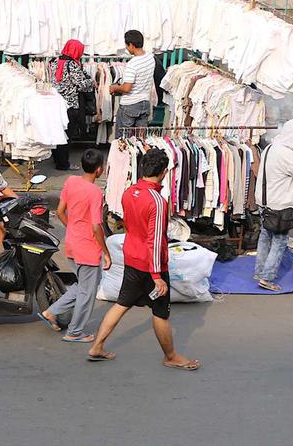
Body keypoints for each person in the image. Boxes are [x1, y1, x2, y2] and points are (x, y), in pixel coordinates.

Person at [87, 148, 200, 370]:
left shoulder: (129, 192)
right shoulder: (157, 201)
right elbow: (156, 241)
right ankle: (171, 356)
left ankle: (96, 346)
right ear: (164, 172)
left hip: (132, 257)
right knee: (160, 312)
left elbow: (130, 225)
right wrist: (157, 277)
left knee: (122, 303)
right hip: (151, 265)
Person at [39, 149, 112, 342]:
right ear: (99, 170)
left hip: (71, 243)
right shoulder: (95, 192)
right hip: (87, 248)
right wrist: (106, 253)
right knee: (87, 293)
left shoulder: (71, 181)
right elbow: (97, 226)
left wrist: (73, 228)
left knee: (82, 285)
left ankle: (52, 312)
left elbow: (61, 211)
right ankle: (75, 332)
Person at [253, 120, 293, 292]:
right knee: (279, 241)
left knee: (265, 236)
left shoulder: (271, 148)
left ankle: (259, 272)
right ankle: (267, 278)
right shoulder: (287, 154)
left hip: (264, 201)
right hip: (280, 203)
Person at [48, 39, 95, 171]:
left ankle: (57, 160)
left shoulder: (54, 62)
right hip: (70, 105)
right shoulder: (72, 65)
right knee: (67, 135)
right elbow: (80, 84)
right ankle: (63, 164)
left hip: (56, 104)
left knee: (58, 133)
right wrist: (92, 82)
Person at [110, 30, 155, 138]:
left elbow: (126, 88)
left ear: (131, 45)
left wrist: (114, 88)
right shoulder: (150, 58)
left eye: (126, 45)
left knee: (123, 140)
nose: (126, 48)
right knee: (140, 139)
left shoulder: (132, 64)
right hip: (144, 103)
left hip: (129, 105)